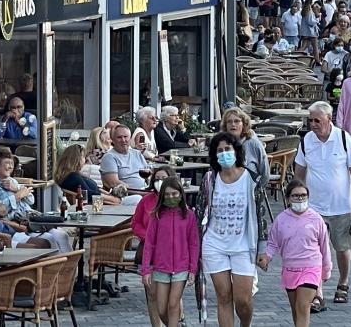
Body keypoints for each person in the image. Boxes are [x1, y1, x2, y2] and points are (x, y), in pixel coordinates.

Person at [293, 101, 351, 308]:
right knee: (314, 250)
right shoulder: (307, 140)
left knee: (342, 248)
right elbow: (299, 170)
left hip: (341, 205)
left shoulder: (342, 138)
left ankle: (343, 282)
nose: (313, 124)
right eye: (310, 120)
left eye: (317, 120)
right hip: (314, 207)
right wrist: (297, 197)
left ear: (328, 119)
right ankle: (317, 293)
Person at [199, 132, 261, 327]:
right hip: (214, 244)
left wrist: (264, 249)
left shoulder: (250, 178)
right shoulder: (210, 179)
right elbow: (200, 213)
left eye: (227, 149)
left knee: (242, 300)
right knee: (223, 296)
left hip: (243, 244)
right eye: (219, 151)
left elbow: (260, 216)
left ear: (236, 151)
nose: (224, 154)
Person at [259, 180, 332, 327]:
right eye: (296, 196)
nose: (300, 199)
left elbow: (324, 246)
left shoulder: (316, 219)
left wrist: (326, 270)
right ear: (288, 198)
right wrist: (266, 257)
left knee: (303, 306)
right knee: (296, 309)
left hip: (311, 268)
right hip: (290, 270)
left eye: (303, 196)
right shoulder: (281, 220)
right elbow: (273, 243)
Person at [140, 177, 200, 327]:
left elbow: (194, 244)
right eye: (167, 194)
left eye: (174, 193)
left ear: (180, 194)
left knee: (173, 305)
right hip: (161, 267)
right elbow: (149, 244)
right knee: (161, 308)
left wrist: (193, 269)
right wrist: (146, 269)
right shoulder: (156, 215)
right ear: (162, 196)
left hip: (181, 267)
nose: (171, 197)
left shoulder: (189, 215)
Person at [0, 148, 36, 220]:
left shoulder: (12, 180)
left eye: (12, 164)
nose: (11, 167)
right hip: (16, 222)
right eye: (7, 163)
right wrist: (17, 196)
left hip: (31, 215)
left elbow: (31, 200)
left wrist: (16, 189)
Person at [54, 145, 123, 205]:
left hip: (106, 201)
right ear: (77, 159)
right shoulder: (72, 177)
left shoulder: (71, 175)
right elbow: (88, 194)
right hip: (100, 205)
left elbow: (94, 190)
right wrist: (113, 199)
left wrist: (110, 195)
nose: (86, 159)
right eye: (84, 157)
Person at [102, 123, 150, 192]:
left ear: (130, 138)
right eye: (119, 137)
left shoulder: (137, 153)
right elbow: (113, 183)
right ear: (112, 140)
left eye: (125, 136)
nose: (123, 140)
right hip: (124, 195)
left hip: (143, 191)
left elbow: (147, 175)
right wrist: (138, 192)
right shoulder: (109, 157)